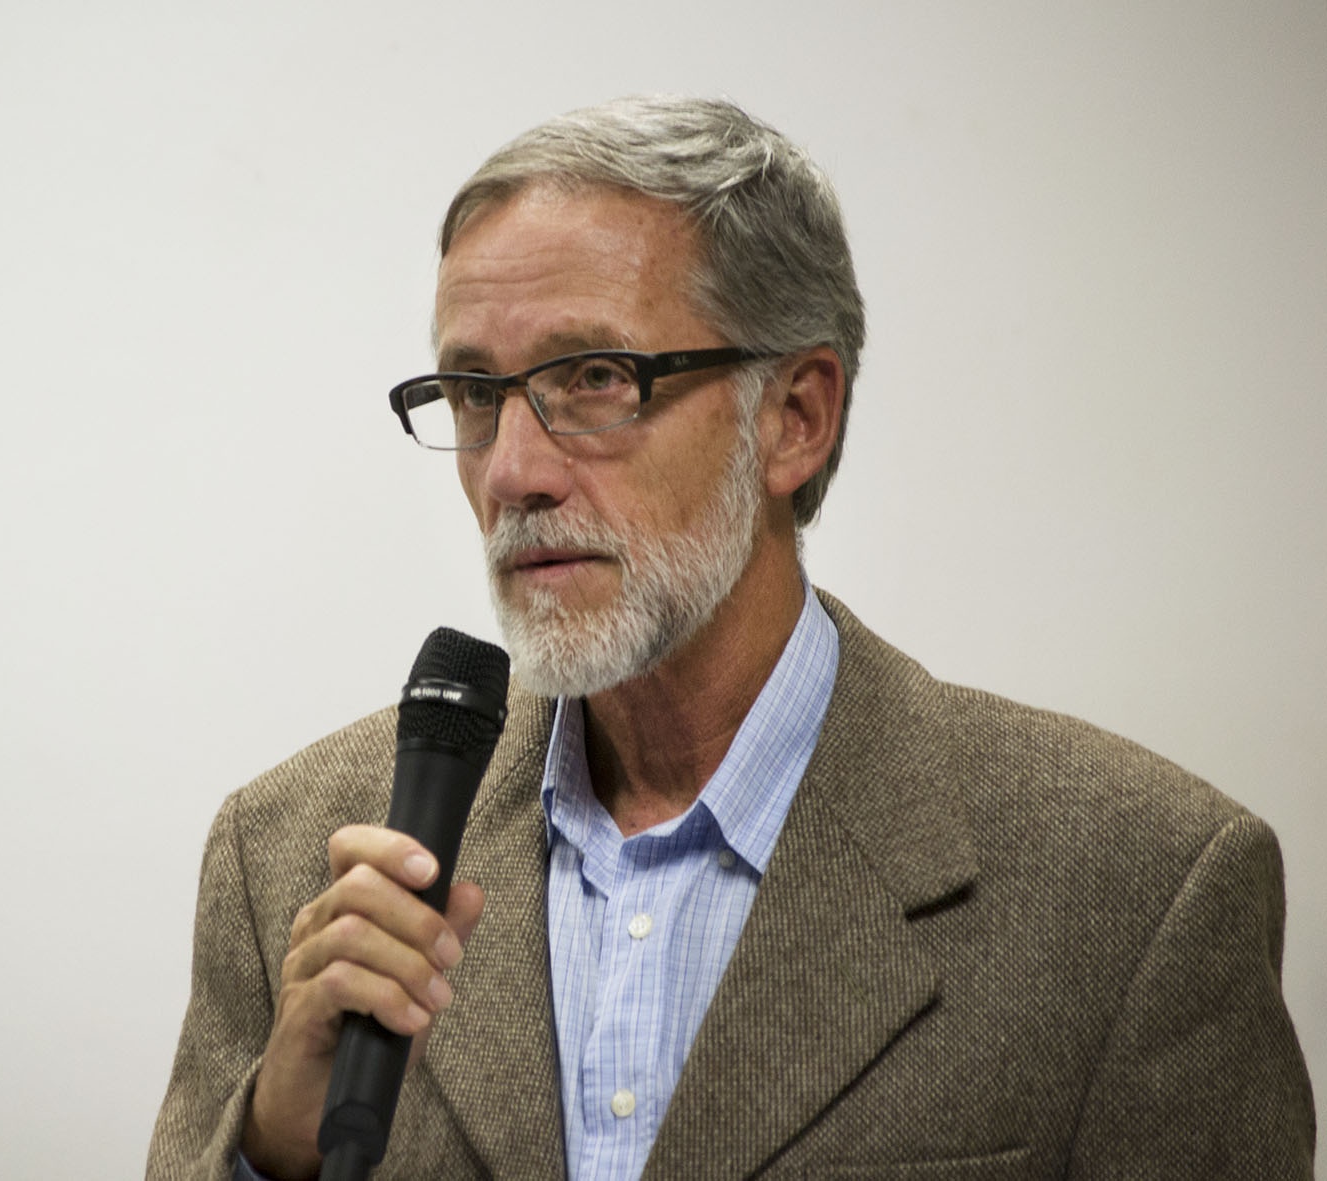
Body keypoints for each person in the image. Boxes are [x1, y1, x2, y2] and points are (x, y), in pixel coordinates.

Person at [146, 96, 1315, 1180]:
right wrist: (272, 1154)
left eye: (593, 376)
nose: (511, 470)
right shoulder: (293, 855)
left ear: (794, 417)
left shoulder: (1136, 889)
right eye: (471, 393)